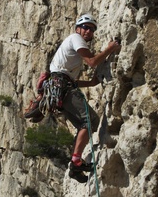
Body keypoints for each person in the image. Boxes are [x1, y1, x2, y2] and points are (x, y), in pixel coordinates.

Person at [48, 14, 121, 182]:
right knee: (90, 121)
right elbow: (92, 62)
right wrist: (111, 48)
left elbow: (70, 79)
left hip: (60, 89)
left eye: (92, 29)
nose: (89, 31)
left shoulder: (72, 44)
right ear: (77, 29)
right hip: (63, 88)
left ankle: (75, 162)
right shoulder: (75, 38)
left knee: (83, 124)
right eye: (86, 27)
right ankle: (75, 161)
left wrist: (91, 83)